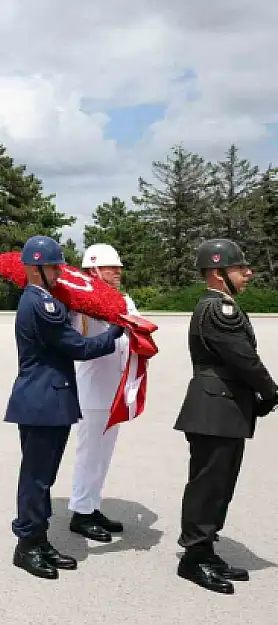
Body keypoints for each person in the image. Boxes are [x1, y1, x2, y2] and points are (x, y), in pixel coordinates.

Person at [4, 236, 125, 580]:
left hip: (49, 400)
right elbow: (78, 347)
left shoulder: (45, 299)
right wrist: (116, 330)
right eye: (54, 266)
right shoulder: (41, 304)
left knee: (44, 478)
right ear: (34, 268)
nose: (60, 271)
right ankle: (27, 545)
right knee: (36, 479)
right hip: (41, 401)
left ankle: (38, 540)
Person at [173, 239, 277, 594]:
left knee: (220, 485)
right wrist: (271, 390)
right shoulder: (219, 310)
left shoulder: (221, 305)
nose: (248, 273)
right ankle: (193, 558)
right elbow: (242, 357)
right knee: (208, 484)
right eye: (240, 268)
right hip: (214, 408)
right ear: (218, 274)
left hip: (224, 407)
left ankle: (205, 549)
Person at [67, 244, 137, 541]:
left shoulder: (124, 299)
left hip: (116, 388)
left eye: (119, 268)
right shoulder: (79, 301)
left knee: (104, 454)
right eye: (111, 268)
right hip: (93, 390)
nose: (117, 272)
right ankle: (81, 513)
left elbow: (136, 326)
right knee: (89, 453)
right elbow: (77, 338)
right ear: (93, 269)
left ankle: (93, 506)